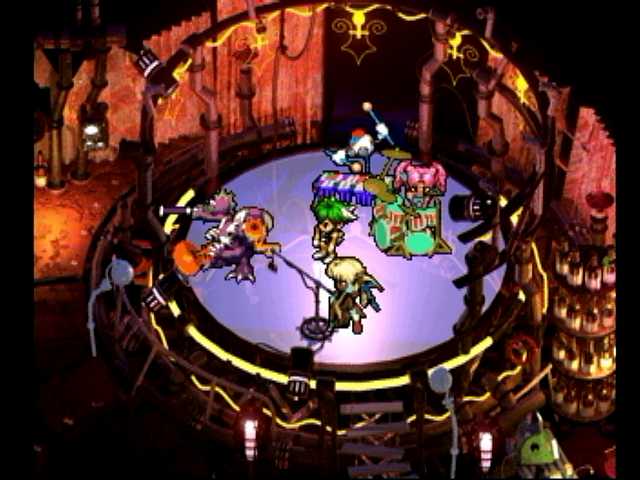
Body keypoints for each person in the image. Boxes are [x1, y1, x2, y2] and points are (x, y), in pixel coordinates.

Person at [325, 256, 383, 334]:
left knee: (348, 307)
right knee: (340, 304)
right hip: (344, 301)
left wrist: (338, 309)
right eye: (336, 280)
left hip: (347, 301)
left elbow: (339, 301)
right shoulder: (346, 288)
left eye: (341, 281)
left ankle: (351, 320)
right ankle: (338, 321)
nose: (337, 284)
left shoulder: (350, 287)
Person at [310, 196, 358, 264]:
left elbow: (332, 245)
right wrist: (316, 239)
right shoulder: (318, 227)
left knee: (330, 248)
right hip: (324, 238)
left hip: (332, 239)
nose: (325, 224)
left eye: (330, 221)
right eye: (321, 220)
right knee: (322, 243)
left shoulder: (335, 233)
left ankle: (331, 255)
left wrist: (331, 245)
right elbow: (316, 236)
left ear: (339, 224)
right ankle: (323, 252)